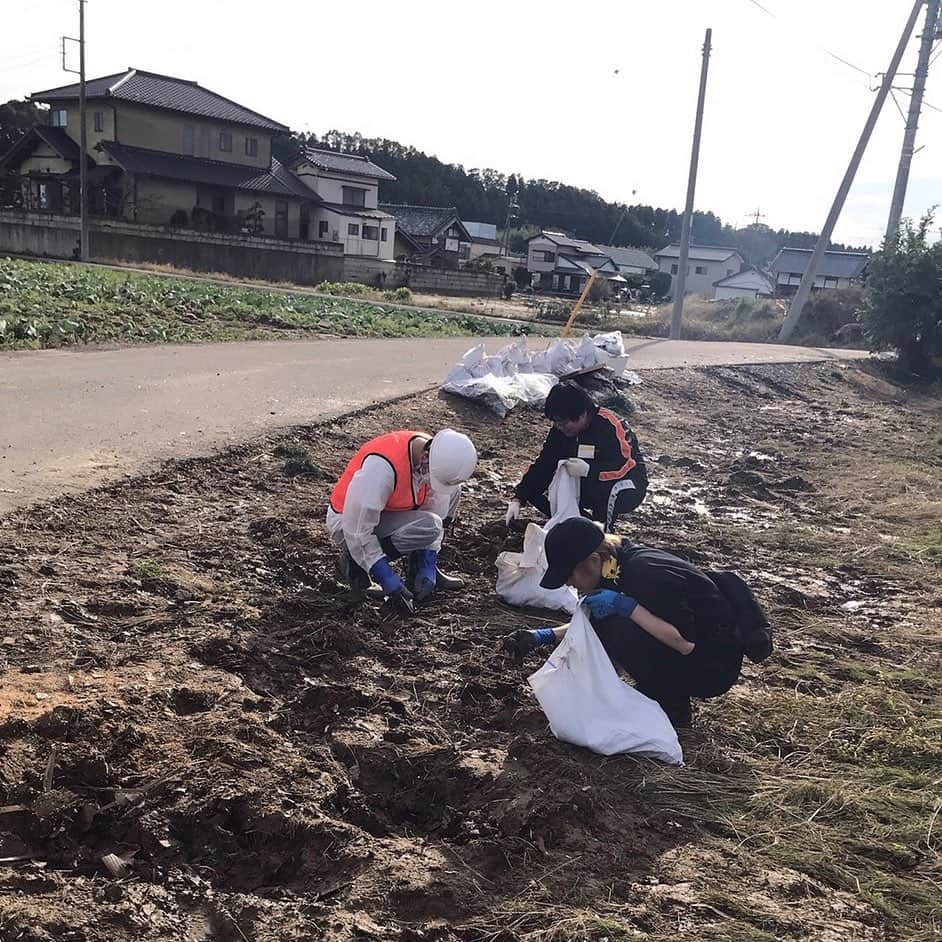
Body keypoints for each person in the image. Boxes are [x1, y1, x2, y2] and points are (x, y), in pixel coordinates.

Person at [505, 517, 772, 728]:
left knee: (619, 629)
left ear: (593, 560)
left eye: (568, 574)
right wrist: (543, 636)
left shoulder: (645, 574)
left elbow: (684, 643)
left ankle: (673, 709)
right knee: (610, 622)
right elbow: (594, 623)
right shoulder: (612, 564)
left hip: (712, 664)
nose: (567, 583)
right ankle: (660, 691)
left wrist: (626, 607)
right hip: (690, 650)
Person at [327, 428, 477, 609]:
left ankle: (416, 570)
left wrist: (428, 560)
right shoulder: (382, 468)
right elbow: (358, 530)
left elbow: (435, 507)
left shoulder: (433, 456)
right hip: (347, 522)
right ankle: (356, 563)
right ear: (426, 457)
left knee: (452, 492)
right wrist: (385, 577)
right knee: (429, 526)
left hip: (386, 513)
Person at [505, 383, 648, 532]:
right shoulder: (560, 431)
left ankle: (603, 532)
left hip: (625, 485)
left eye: (564, 423)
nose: (560, 427)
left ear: (583, 414)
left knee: (608, 490)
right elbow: (545, 463)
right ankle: (579, 525)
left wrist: (590, 471)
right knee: (537, 490)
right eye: (556, 423)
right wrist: (519, 497)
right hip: (583, 482)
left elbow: (625, 465)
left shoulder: (611, 425)